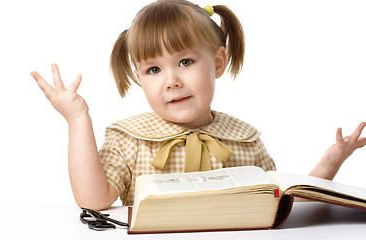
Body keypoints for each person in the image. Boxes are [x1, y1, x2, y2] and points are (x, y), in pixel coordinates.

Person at [31, 0, 366, 210]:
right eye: (154, 69)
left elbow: (283, 202)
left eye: (186, 62)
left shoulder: (244, 139)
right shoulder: (130, 138)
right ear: (139, 77)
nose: (171, 80)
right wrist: (78, 118)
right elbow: (93, 200)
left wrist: (330, 162)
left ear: (218, 62)